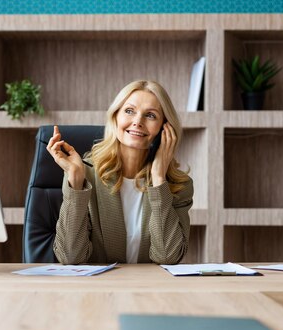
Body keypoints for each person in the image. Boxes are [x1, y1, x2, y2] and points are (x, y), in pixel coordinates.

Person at [46, 80, 194, 265]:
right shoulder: (86, 174)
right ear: (115, 118)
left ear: (165, 129)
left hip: (150, 290)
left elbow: (168, 257)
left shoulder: (178, 185)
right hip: (99, 289)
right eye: (129, 111)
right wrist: (75, 180)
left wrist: (158, 179)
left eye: (150, 115)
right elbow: (70, 257)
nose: (137, 122)